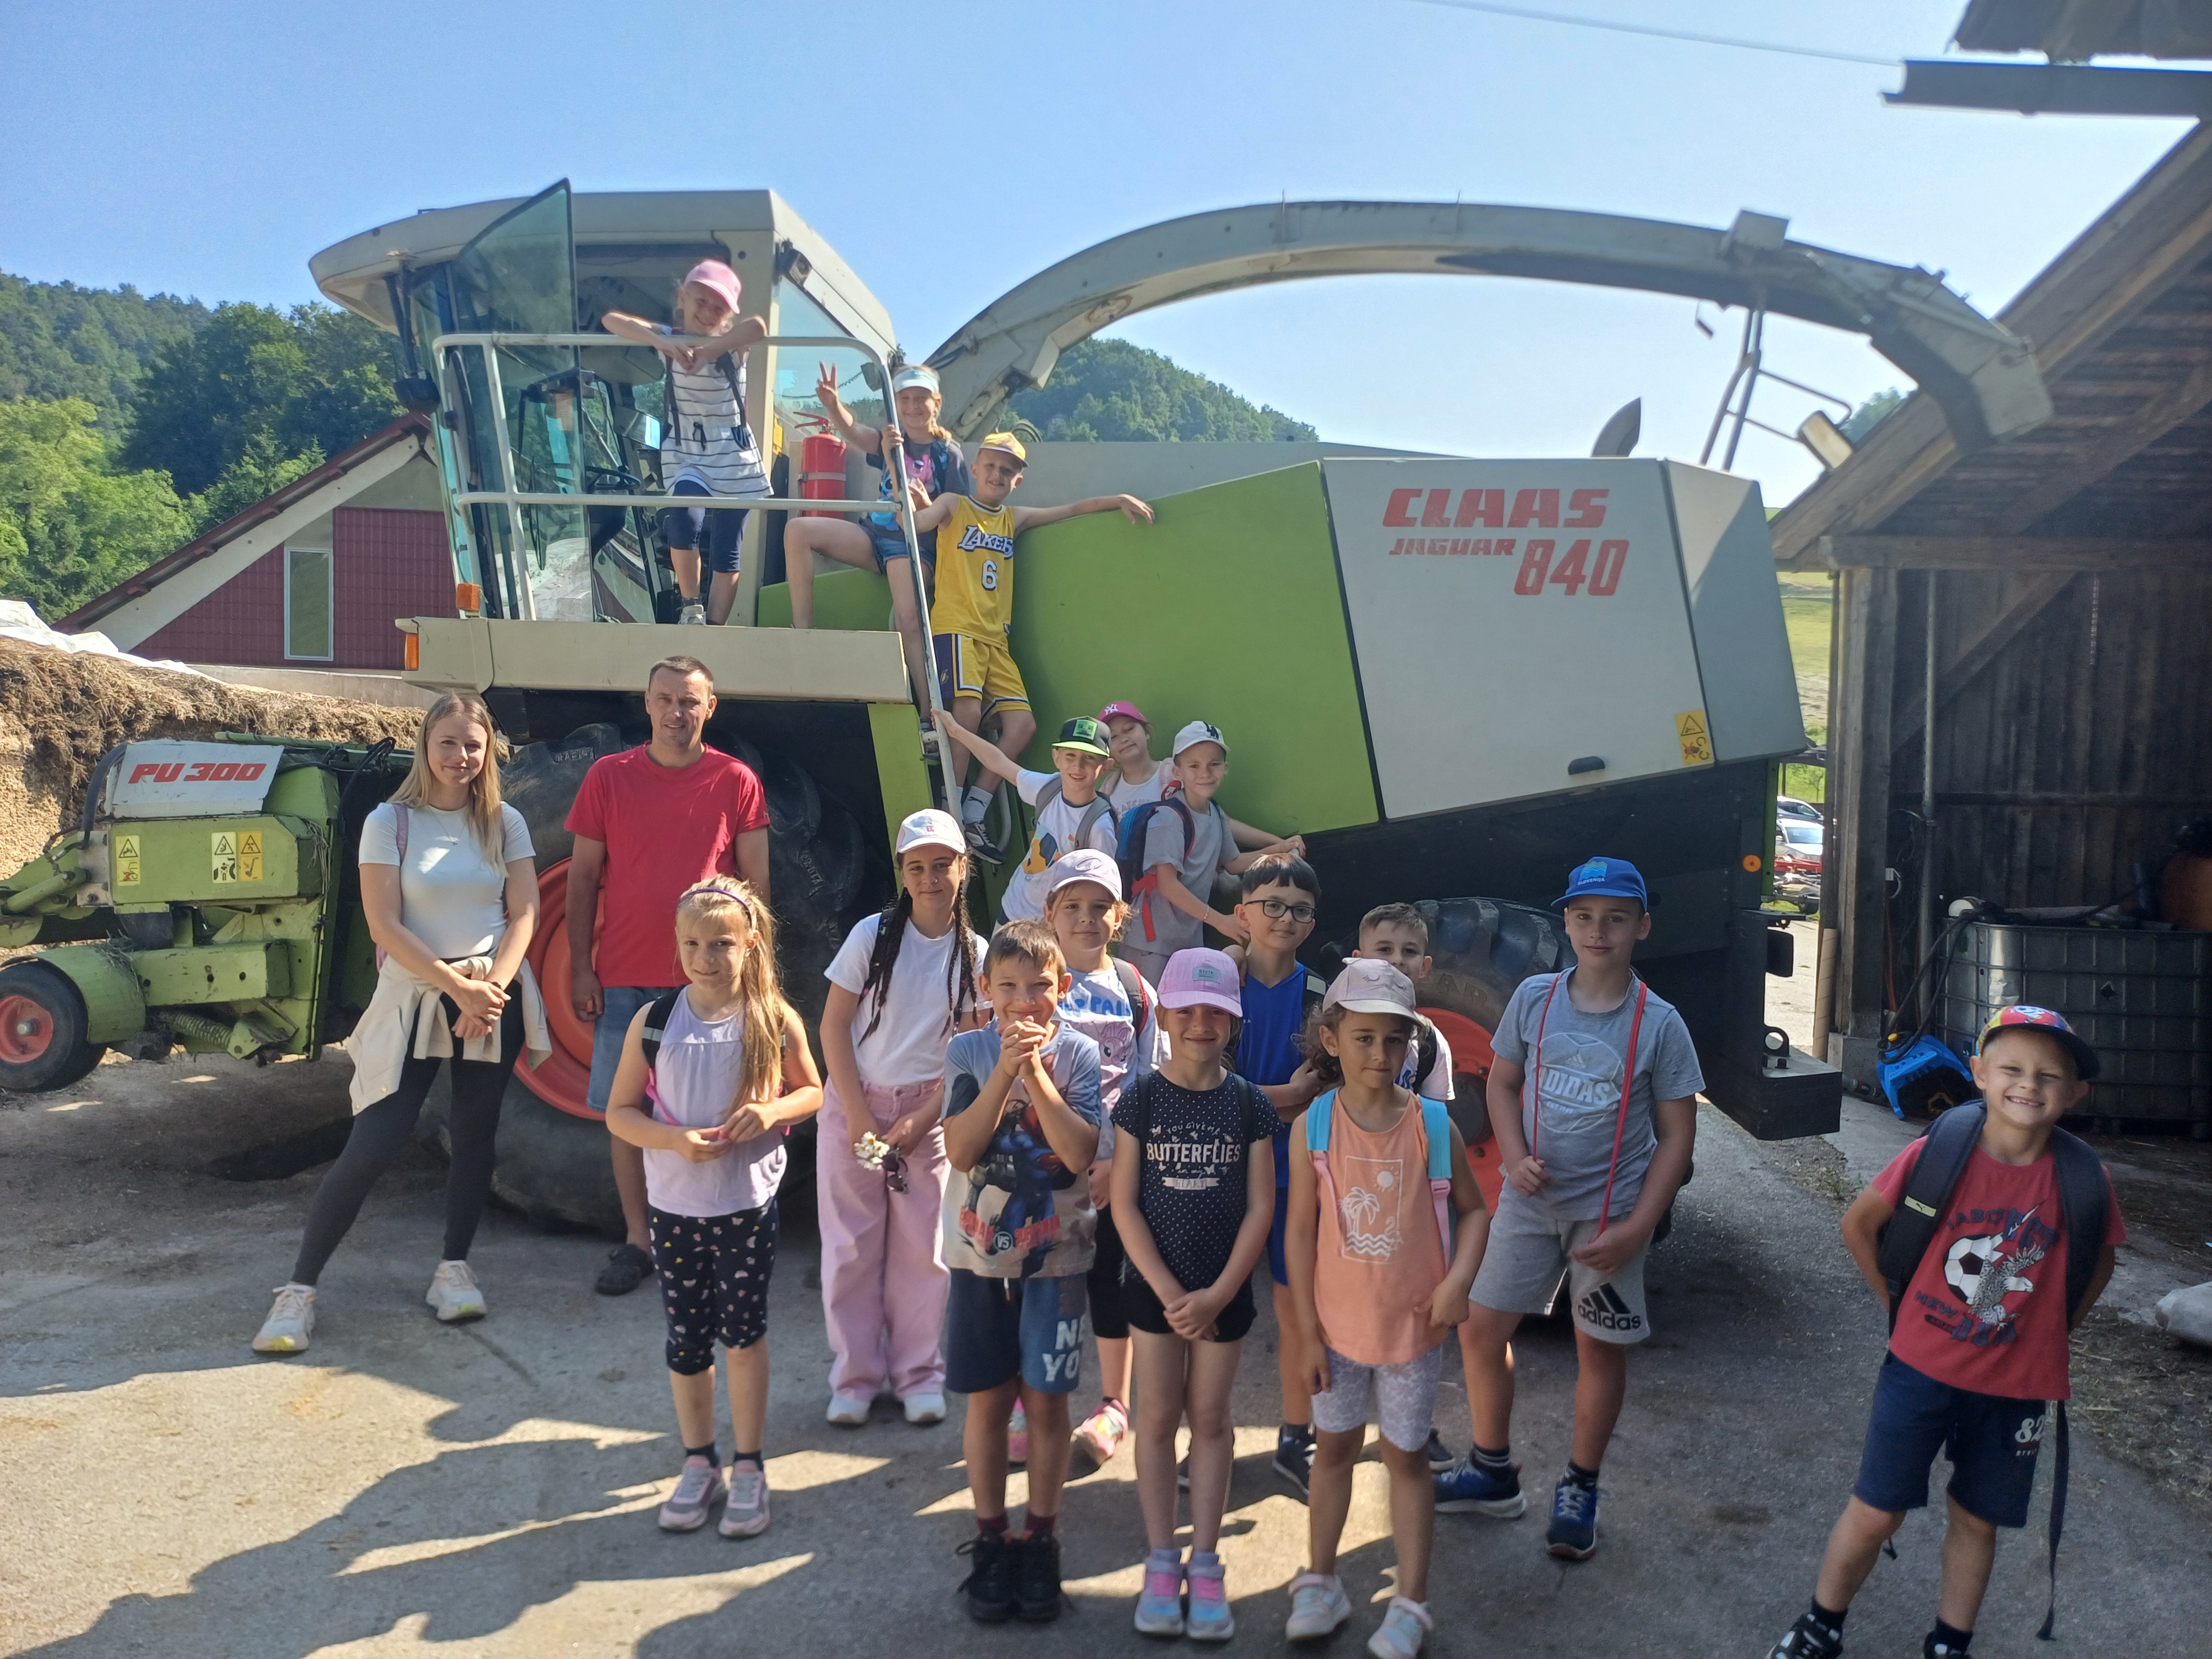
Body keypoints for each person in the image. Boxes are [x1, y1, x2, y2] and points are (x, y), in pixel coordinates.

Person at [1765, 1006, 2124, 1659]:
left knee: (1977, 1521)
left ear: (2075, 1093)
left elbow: (2100, 1259)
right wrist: (1896, 1308)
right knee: (1876, 1510)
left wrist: (2057, 1326)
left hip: (2016, 1389)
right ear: (1979, 1073)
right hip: (1919, 1372)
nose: (2029, 1085)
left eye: (2049, 1076)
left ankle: (1949, 1642)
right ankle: (1821, 1624)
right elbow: (1859, 1224)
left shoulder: (2082, 1180)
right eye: (2012, 1069)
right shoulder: (1940, 1152)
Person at [254, 692, 547, 1353]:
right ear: (425, 746)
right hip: (417, 994)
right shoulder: (390, 821)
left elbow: (525, 912)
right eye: (448, 743)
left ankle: (453, 1269)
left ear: (487, 752)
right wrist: (456, 988)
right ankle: (298, 1291)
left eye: (473, 745)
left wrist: (490, 991)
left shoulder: (505, 822)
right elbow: (384, 924)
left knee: (475, 1135)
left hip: (488, 995)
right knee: (376, 1139)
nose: (461, 757)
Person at [1433, 857, 1703, 1563]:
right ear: (1567, 923)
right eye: (1584, 917)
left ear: (1642, 927)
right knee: (1480, 1329)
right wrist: (1514, 1155)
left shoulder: (1660, 1024)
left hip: (1608, 1217)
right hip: (1528, 1206)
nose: (1598, 930)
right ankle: (1492, 1469)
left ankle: (1580, 1486)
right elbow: (1501, 1085)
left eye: (1615, 918)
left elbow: (1677, 1136)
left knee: (1597, 1350)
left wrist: (1638, 1228)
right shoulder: (1535, 998)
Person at [603, 878, 822, 1540]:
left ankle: (749, 1464)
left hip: (745, 1208)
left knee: (744, 1336)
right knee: (687, 1339)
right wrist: (672, 1140)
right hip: (673, 1211)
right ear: (677, 945)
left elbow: (812, 1091)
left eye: (721, 944)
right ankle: (699, 1460)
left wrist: (772, 1111)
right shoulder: (655, 1022)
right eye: (692, 944)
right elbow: (619, 1113)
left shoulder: (772, 1018)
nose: (705, 957)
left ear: (750, 943)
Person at [1282, 960, 1489, 1658]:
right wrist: (1305, 1333)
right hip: (1333, 1333)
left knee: (1407, 1460)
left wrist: (1458, 1282)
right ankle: (1319, 1581)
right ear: (1331, 1039)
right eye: (1363, 1038)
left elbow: (1474, 1212)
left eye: (1394, 1039)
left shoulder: (1433, 1125)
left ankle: (1411, 1601)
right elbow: (1299, 1233)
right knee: (1333, 1451)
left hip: (1412, 1335)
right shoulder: (1313, 1126)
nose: (1379, 1053)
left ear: (1411, 1044)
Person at [568, 658, 771, 1297]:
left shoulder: (736, 780)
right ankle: (638, 1241)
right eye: (665, 700)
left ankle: (715, 1232)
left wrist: (758, 980)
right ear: (647, 704)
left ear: (710, 708)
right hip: (627, 977)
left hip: (711, 982)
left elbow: (757, 889)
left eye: (689, 701)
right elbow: (581, 877)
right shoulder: (608, 777)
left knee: (716, 1111)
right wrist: (581, 966)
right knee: (626, 1115)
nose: (676, 712)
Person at [941, 920, 1104, 1625]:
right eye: (1007, 986)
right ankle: (990, 1535)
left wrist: (1035, 1073)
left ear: (1062, 988)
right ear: (986, 989)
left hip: (1056, 1258)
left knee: (1046, 1401)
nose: (1023, 1001)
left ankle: (1040, 1536)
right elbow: (960, 1150)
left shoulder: (1081, 1053)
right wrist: (1004, 1071)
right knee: (986, 1400)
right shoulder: (967, 1051)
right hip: (978, 1258)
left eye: (1039, 986)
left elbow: (1077, 1155)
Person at [1113, 948, 1277, 1640]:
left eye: (1216, 1012)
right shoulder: (1141, 1099)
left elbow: (1260, 1209)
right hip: (1155, 1293)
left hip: (1223, 1295)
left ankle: (1205, 1562)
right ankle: (1161, 1559)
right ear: (1166, 1016)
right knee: (1155, 1420)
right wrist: (1169, 1292)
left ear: (1234, 1020)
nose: (1201, 1024)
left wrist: (1215, 1295)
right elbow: (1123, 1204)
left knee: (1209, 1420)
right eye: (1187, 1011)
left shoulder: (1249, 1104)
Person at [905, 433, 1153, 861]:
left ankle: (974, 810)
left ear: (1017, 480)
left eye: (1008, 470)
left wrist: (1117, 500)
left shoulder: (1012, 518)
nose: (997, 475)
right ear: (975, 469)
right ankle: (951, 811)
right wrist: (913, 504)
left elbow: (1071, 510)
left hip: (996, 641)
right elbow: (919, 524)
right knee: (965, 715)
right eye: (991, 466)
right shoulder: (954, 505)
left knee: (1023, 726)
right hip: (959, 630)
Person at [816, 808, 984, 1427]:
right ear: (903, 873)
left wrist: (925, 1118)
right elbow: (833, 1027)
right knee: (851, 1245)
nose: (930, 879)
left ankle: (918, 1374)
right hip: (856, 1108)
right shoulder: (872, 936)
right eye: (917, 867)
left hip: (927, 1117)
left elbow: (969, 1050)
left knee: (924, 1249)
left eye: (942, 866)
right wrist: (860, 1117)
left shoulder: (975, 954)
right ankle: (855, 1378)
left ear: (963, 868)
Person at [1040, 849, 1167, 1474]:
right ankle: (1036, 1399)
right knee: (1042, 1282)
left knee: (1109, 1282)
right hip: (1044, 1169)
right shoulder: (1034, 982)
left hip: (1115, 1171)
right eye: (1073, 907)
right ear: (1050, 913)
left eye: (1100, 908)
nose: (1086, 919)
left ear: (1121, 916)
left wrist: (1121, 1166)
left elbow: (1150, 1084)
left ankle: (1114, 1404)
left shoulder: (1136, 990)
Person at [1226, 852, 1328, 1499]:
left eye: (1299, 910)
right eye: (1271, 905)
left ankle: (1297, 1436)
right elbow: (1203, 1086)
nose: (1284, 918)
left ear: (1311, 923)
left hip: (1298, 1180)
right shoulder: (1217, 988)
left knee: (1297, 1312)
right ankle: (1210, 1437)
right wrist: (1283, 1097)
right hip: (1225, 1178)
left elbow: (1324, 1088)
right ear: (1243, 914)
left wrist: (1245, 1099)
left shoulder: (1324, 999)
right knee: (1216, 1316)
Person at [784, 362, 970, 715]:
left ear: (937, 403)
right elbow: (852, 431)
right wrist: (833, 404)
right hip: (874, 536)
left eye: (921, 398)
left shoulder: (949, 454)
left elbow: (957, 515)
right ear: (896, 404)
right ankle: (804, 633)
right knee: (798, 530)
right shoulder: (889, 440)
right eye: (905, 399)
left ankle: (929, 712)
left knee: (908, 619)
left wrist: (924, 504)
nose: (913, 406)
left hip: (914, 546)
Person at [600, 260, 770, 624]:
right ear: (682, 298)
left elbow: (758, 327)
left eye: (718, 308)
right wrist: (658, 341)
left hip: (733, 452)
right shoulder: (670, 336)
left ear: (727, 315)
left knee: (727, 548)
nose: (708, 312)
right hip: (689, 449)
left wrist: (708, 351)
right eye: (701, 301)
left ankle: (715, 628)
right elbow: (611, 320)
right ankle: (692, 607)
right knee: (683, 520)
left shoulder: (732, 345)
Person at [1123, 721, 1291, 986]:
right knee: (1152, 1009)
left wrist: (1279, 851)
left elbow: (1233, 863)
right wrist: (1220, 921)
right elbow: (1167, 885)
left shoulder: (1214, 812)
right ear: (1177, 772)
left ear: (1225, 768)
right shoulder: (1168, 818)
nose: (1205, 773)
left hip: (1187, 942)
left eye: (1214, 764)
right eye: (1194, 766)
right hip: (1150, 944)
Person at [933, 711, 1119, 923]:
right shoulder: (1048, 788)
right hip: (1011, 911)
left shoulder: (1099, 826)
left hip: (1052, 927)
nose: (1078, 766)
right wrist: (955, 730)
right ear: (1057, 758)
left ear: (1106, 766)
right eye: (1070, 756)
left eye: (1089, 758)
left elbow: (1102, 889)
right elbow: (998, 762)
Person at [1099, 699, 1304, 854]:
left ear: (1147, 732)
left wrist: (1279, 843)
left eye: (1129, 729)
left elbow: (1222, 822)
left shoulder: (1177, 774)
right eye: (1113, 736)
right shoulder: (1107, 791)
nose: (1123, 739)